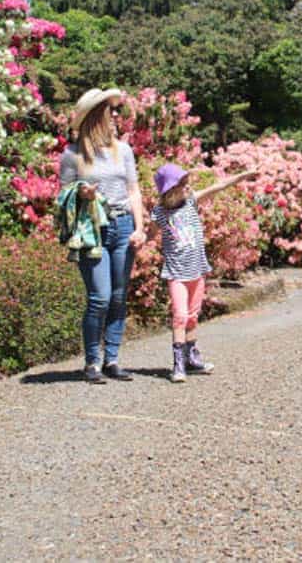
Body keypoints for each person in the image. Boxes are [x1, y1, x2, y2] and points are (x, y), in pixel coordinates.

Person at [58, 88, 147, 383]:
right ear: (96, 117)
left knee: (119, 297)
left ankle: (112, 359)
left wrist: (139, 227)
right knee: (100, 297)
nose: (114, 117)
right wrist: (81, 193)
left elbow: (133, 190)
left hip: (122, 227)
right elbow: (63, 196)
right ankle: (91, 362)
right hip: (91, 231)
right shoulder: (72, 155)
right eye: (109, 112)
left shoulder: (123, 150)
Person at [151, 163, 256, 383]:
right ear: (171, 189)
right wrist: (134, 241)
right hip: (177, 273)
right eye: (183, 183)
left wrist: (244, 175)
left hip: (197, 270)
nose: (188, 186)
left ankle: (192, 358)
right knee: (180, 316)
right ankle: (178, 364)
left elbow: (219, 186)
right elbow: (149, 235)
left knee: (192, 316)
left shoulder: (191, 201)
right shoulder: (160, 213)